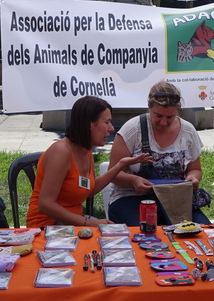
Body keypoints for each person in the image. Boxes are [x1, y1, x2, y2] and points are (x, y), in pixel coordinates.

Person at [26, 96, 150, 227]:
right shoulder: (61, 151)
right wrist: (89, 223)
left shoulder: (85, 150)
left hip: (72, 222)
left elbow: (90, 190)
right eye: (107, 122)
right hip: (46, 226)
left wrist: (120, 165)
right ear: (90, 124)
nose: (112, 128)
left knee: (115, 234)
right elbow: (45, 204)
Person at [107, 81, 211, 226]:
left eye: (170, 117)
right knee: (145, 232)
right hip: (131, 198)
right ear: (149, 109)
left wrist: (193, 178)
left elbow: (195, 169)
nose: (163, 122)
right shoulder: (133, 130)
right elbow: (113, 174)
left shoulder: (188, 131)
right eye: (158, 115)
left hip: (175, 199)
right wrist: (133, 181)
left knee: (202, 231)